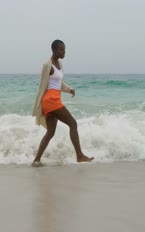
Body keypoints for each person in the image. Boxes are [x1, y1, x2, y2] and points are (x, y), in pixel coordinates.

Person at [32, 39, 94, 167]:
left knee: (50, 133)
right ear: (54, 50)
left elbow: (59, 83)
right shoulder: (47, 65)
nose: (64, 51)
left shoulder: (60, 64)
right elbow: (43, 85)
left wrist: (68, 89)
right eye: (61, 49)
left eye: (64, 49)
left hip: (56, 99)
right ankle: (79, 155)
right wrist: (40, 104)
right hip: (50, 100)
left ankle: (36, 160)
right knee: (73, 123)